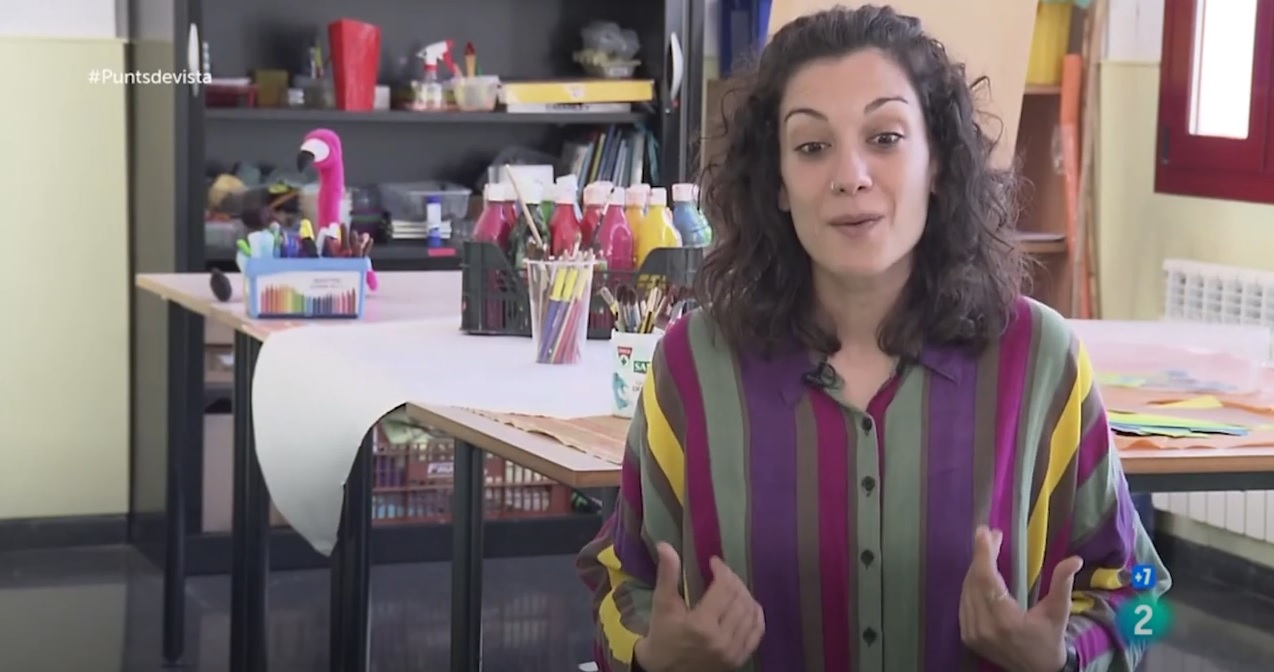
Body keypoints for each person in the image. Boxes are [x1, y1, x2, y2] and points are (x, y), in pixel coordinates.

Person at [577, 5, 1169, 672]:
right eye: (811, 147)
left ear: (938, 162)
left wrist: (1062, 656)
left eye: (885, 138)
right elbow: (615, 585)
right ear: (777, 182)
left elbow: (1146, 598)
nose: (851, 175)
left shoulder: (1041, 359)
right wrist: (654, 653)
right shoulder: (692, 365)